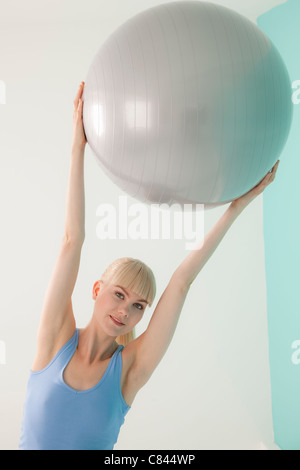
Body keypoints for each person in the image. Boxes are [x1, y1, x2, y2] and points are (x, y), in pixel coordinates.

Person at [19, 82, 280, 450]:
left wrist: (237, 206)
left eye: (138, 306)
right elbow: (71, 241)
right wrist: (77, 147)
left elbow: (181, 282)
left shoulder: (130, 370)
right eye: (119, 295)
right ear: (97, 290)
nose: (125, 310)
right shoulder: (54, 341)